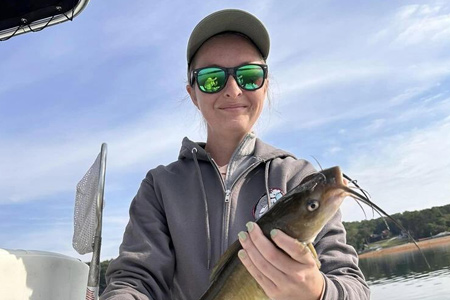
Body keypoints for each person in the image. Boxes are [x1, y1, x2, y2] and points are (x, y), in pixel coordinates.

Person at [101, 9, 370, 300]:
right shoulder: (159, 187)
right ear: (193, 93)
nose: (232, 89)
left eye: (249, 75)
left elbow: (352, 286)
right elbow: (133, 282)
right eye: (212, 78)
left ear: (265, 86)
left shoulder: (298, 178)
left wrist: (316, 292)